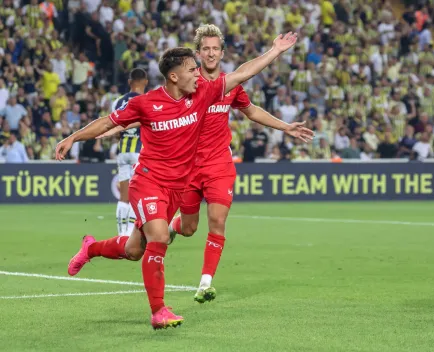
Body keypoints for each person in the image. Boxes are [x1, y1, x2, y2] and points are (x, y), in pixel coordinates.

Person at [55, 32, 302, 330]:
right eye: (191, 69)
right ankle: (158, 311)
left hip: (177, 188)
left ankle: (90, 248)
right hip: (148, 182)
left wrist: (274, 49)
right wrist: (73, 137)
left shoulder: (203, 95)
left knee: (135, 251)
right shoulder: (146, 103)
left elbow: (242, 74)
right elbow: (108, 121)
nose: (198, 73)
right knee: (159, 238)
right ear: (173, 76)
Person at [105, 25, 313, 303]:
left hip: (218, 165)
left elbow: (250, 109)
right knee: (188, 228)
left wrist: (284, 126)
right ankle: (172, 229)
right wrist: (110, 128)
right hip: (187, 169)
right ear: (199, 53)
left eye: (216, 48)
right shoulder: (187, 85)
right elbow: (150, 109)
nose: (211, 53)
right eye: (206, 49)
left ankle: (205, 283)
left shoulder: (228, 85)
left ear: (222, 52)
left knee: (217, 221)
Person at [110, 68, 147, 237]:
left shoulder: (118, 102)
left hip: (122, 152)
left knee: (123, 196)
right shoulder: (146, 100)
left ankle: (121, 234)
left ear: (129, 82)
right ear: (145, 82)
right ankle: (131, 233)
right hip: (139, 152)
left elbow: (114, 128)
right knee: (137, 195)